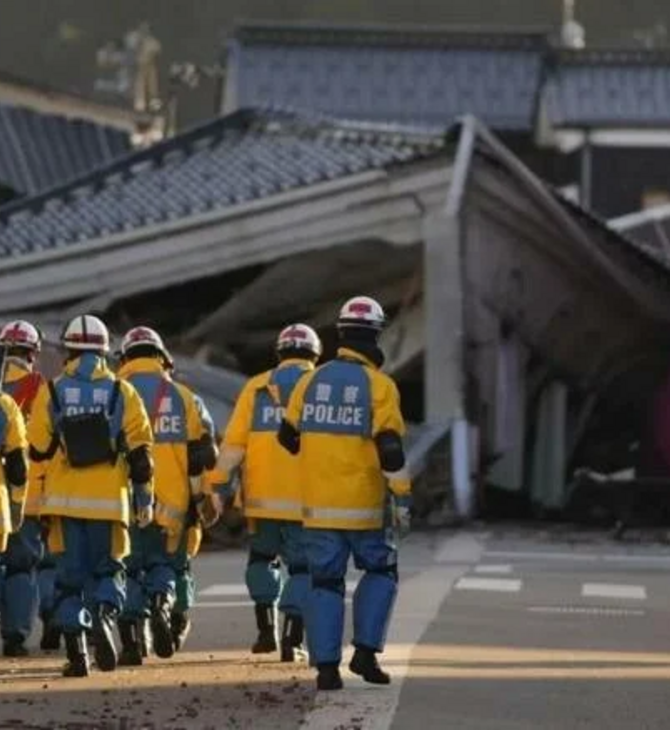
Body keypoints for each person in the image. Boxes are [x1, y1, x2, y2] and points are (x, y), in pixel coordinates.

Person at [278, 297, 412, 690]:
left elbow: (287, 437)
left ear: (340, 334)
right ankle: (367, 655)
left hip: (318, 507)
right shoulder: (380, 386)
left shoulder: (310, 380)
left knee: (324, 583)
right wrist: (402, 496)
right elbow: (390, 449)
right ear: (375, 334)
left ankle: (326, 669)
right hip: (365, 506)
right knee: (381, 571)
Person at [28, 314, 154, 677]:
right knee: (109, 571)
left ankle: (78, 653)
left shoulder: (51, 390)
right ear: (104, 351)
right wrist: (144, 502)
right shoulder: (122, 391)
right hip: (109, 501)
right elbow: (142, 458)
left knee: (69, 579)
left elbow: (37, 448)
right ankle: (103, 614)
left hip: (64, 503)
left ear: (68, 349)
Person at [217, 324, 322, 661]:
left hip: (261, 499)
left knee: (262, 560)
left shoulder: (257, 387)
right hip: (308, 498)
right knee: (303, 570)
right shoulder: (321, 386)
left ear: (279, 353)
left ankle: (266, 631)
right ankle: (294, 635)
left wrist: (219, 484)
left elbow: (233, 443)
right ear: (314, 354)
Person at [116, 326, 219, 665]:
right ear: (162, 358)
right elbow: (203, 455)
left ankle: (131, 638)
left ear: (126, 358)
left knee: (128, 570)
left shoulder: (115, 394)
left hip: (125, 500)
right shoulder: (185, 398)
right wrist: (201, 497)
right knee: (171, 566)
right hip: (174, 503)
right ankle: (164, 605)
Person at [0, 320, 60, 656]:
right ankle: (23, 632)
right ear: (33, 353)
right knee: (31, 564)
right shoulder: (41, 389)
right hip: (34, 493)